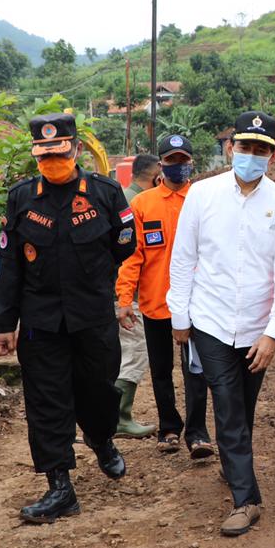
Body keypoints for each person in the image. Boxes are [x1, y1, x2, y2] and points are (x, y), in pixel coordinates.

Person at [0, 113, 136, 524]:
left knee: (99, 391)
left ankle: (101, 437)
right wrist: (5, 323)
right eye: (44, 155)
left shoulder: (105, 193)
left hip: (92, 317)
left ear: (75, 150)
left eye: (59, 153)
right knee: (46, 402)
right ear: (36, 155)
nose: (52, 160)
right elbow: (10, 266)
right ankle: (60, 487)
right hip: (41, 322)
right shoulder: (21, 198)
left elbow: (124, 245)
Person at [167, 111, 275, 537]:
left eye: (261, 149)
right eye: (244, 147)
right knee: (227, 404)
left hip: (257, 325)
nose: (250, 155)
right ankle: (248, 500)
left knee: (244, 404)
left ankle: (233, 459)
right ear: (230, 148)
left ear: (273, 155)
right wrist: (180, 317)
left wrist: (273, 334)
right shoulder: (202, 195)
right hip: (211, 319)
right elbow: (184, 259)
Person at [116, 134, 213, 457]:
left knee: (195, 371)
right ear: (161, 164)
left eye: (183, 160)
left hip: (197, 304)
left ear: (192, 162)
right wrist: (123, 299)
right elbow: (133, 256)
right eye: (171, 160)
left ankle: (197, 433)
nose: (178, 166)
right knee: (161, 371)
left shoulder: (203, 200)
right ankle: (169, 427)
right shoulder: (143, 204)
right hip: (156, 303)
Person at [111, 152, 162, 437]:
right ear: (155, 176)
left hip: (120, 291)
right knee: (133, 352)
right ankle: (119, 418)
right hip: (129, 293)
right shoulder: (137, 204)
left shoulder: (122, 197)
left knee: (120, 353)